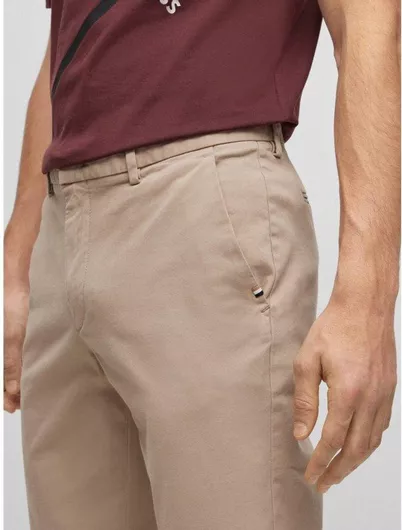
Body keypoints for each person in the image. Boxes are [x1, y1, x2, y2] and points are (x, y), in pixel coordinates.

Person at [4, 1, 400, 529]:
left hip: (200, 205)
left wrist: (368, 302)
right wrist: (21, 253)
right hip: (62, 225)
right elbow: (71, 39)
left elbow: (369, 19)